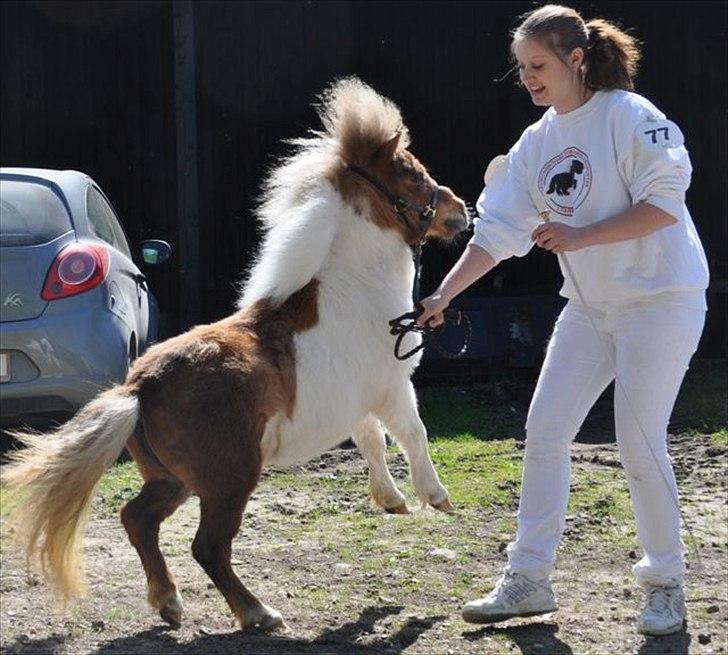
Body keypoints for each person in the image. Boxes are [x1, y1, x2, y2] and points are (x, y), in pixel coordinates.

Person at [417, 4, 709, 637]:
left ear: (577, 59)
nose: (528, 78)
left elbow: (664, 206)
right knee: (545, 431)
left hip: (662, 301)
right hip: (589, 308)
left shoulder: (631, 117)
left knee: (639, 441)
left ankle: (665, 585)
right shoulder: (536, 142)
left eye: (539, 65)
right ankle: (528, 580)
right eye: (521, 68)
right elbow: (497, 233)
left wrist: (580, 236)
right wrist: (442, 294)